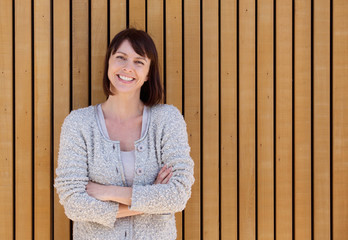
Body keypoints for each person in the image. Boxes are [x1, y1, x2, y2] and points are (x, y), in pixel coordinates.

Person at [54, 28, 195, 240]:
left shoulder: (167, 120)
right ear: (109, 63)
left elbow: (178, 194)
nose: (128, 68)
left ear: (148, 74)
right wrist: (150, 199)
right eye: (121, 57)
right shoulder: (79, 124)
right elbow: (73, 204)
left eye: (139, 62)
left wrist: (107, 191)